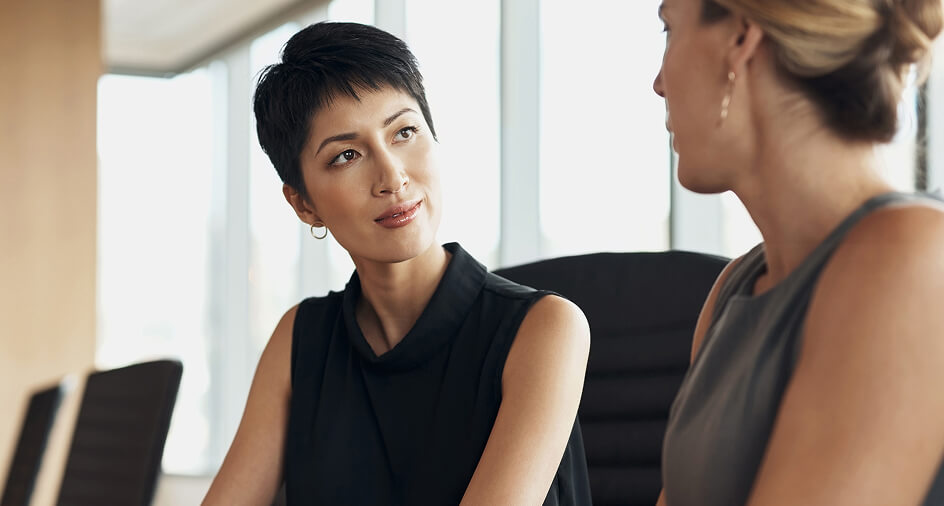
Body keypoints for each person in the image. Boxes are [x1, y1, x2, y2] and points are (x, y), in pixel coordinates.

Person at [201, 21, 592, 506]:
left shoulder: (546, 328)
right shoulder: (300, 339)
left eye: (404, 132)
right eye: (347, 155)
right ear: (304, 204)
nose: (392, 176)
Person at [653, 0, 944, 505]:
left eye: (668, 29)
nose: (658, 83)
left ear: (741, 39)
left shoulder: (912, 258)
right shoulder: (732, 291)